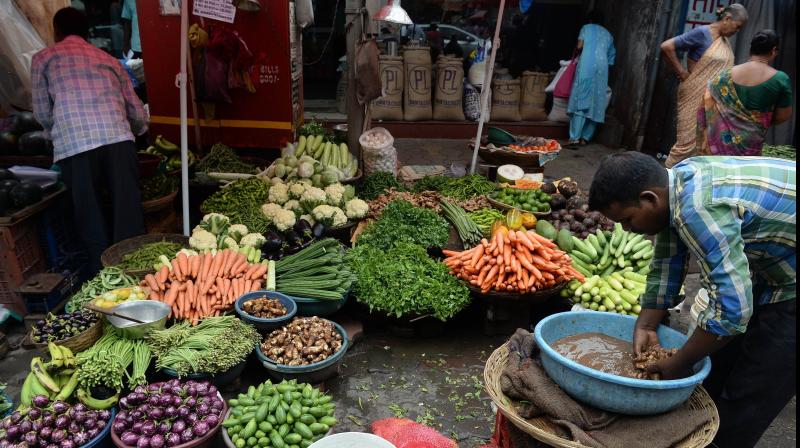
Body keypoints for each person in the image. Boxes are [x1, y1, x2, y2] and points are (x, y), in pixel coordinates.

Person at [588, 152, 796, 448]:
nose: (627, 230)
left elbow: (732, 314)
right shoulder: (677, 184)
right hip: (775, 261)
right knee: (718, 364)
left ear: (649, 199)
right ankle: (698, 434)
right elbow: (667, 261)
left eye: (627, 221)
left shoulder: (700, 208)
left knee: (754, 386)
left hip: (790, 279)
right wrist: (646, 325)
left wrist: (679, 361)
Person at [31, 7, 147, 275]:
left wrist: (56, 131)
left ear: (56, 31)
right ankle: (134, 273)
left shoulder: (43, 58)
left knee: (89, 213)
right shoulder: (107, 58)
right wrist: (140, 131)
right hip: (117, 139)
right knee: (127, 211)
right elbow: (135, 109)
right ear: (87, 32)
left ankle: (102, 276)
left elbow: (41, 113)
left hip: (74, 144)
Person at [660, 4, 748, 167]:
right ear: (727, 19)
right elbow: (667, 47)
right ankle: (666, 180)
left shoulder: (723, 41)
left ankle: (686, 185)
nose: (737, 32)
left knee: (702, 147)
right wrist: (682, 73)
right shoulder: (702, 33)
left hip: (712, 101)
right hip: (694, 94)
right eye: (737, 27)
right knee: (685, 145)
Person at [696, 30, 793, 157]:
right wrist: (759, 119)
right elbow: (783, 116)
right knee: (745, 175)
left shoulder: (724, 76)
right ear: (773, 50)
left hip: (722, 145)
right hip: (752, 143)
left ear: (751, 49)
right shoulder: (780, 79)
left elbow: (708, 101)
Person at [565, 11, 615, 147]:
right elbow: (611, 59)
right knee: (597, 102)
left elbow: (580, 46)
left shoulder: (586, 28)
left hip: (586, 64)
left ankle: (574, 137)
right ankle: (585, 138)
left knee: (582, 98)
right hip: (602, 68)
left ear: (590, 19)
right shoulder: (609, 35)